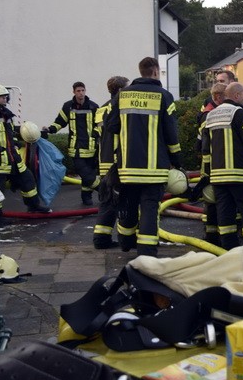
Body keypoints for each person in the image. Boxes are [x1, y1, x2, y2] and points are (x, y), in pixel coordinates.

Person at [106, 57, 181, 257]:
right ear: (156, 72)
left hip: (127, 166)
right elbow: (171, 133)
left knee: (128, 204)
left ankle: (125, 242)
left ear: (140, 72)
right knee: (149, 207)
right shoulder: (164, 96)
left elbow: (111, 126)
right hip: (154, 167)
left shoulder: (122, 96)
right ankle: (147, 250)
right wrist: (177, 160)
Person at [200, 82, 243, 250]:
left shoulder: (211, 115)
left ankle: (229, 252)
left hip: (218, 177)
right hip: (241, 175)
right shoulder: (239, 113)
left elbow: (205, 149)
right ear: (236, 96)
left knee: (225, 216)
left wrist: (206, 176)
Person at [0, 84, 51, 216]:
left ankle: (34, 206)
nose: (5, 98)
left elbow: (10, 134)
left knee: (27, 179)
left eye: (6, 96)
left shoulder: (7, 115)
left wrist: (16, 144)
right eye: (2, 96)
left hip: (13, 158)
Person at [42, 81, 100, 205]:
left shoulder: (94, 107)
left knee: (88, 174)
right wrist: (50, 129)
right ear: (73, 92)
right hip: (75, 148)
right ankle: (104, 191)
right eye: (78, 91)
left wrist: (96, 133)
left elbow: (101, 124)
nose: (81, 93)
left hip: (91, 148)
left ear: (86, 91)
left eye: (83, 90)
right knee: (85, 173)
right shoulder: (68, 107)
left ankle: (86, 197)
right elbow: (60, 122)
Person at [91, 75, 129, 249]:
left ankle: (101, 238)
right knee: (124, 201)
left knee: (107, 201)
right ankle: (126, 239)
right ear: (121, 90)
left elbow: (96, 136)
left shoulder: (101, 109)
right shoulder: (121, 107)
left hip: (104, 162)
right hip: (117, 162)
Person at [195, 82, 227, 245]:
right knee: (215, 201)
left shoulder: (207, 113)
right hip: (215, 165)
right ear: (218, 97)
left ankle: (212, 234)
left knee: (211, 200)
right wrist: (207, 171)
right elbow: (205, 144)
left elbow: (199, 142)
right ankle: (215, 236)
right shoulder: (210, 115)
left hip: (210, 165)